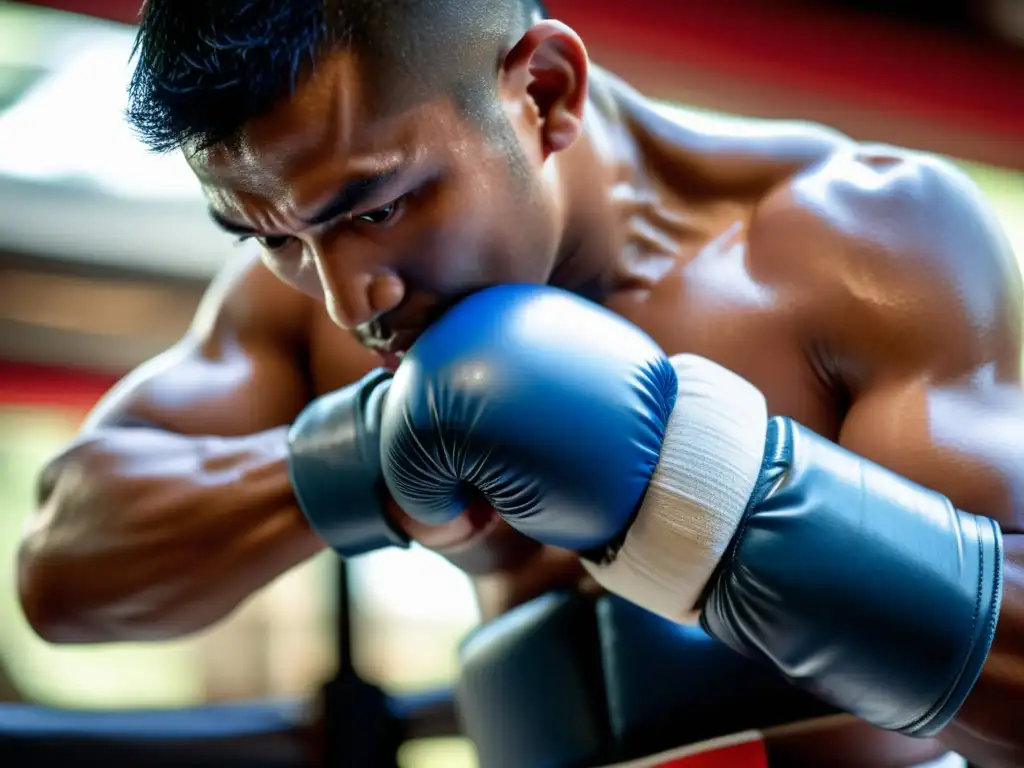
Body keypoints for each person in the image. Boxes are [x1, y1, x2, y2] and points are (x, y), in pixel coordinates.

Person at [14, 0, 1023, 764]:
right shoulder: (326, 293)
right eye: (267, 235)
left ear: (541, 93)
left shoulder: (856, 244)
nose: (342, 299)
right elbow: (64, 569)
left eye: (375, 208)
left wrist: (708, 491)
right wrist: (365, 458)